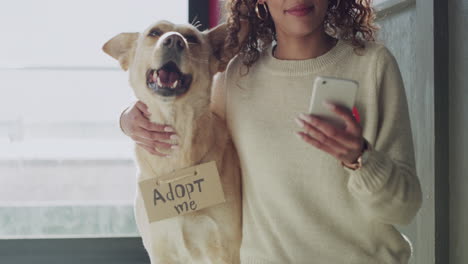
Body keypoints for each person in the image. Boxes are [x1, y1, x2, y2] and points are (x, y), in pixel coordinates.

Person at [119, 0, 423, 263]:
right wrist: (128, 119)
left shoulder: (372, 66)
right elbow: (183, 119)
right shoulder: (237, 77)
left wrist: (360, 159)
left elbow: (404, 209)